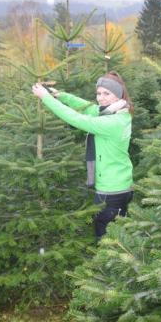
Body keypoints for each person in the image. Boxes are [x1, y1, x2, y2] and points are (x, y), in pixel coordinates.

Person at [31, 72, 134, 240]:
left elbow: (77, 119)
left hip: (112, 190)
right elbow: (88, 107)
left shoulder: (112, 122)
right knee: (116, 232)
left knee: (109, 238)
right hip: (120, 184)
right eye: (98, 93)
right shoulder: (115, 112)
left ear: (118, 94)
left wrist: (46, 98)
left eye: (106, 93)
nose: (101, 98)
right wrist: (60, 95)